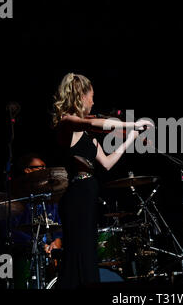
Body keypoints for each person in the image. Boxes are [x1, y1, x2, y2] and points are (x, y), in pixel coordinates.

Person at [52, 72, 152, 288]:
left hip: (88, 196)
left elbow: (106, 163)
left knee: (88, 253)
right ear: (80, 96)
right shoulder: (68, 122)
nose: (94, 101)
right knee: (78, 254)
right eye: (92, 96)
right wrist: (132, 124)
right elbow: (95, 122)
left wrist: (130, 141)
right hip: (76, 196)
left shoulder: (87, 135)